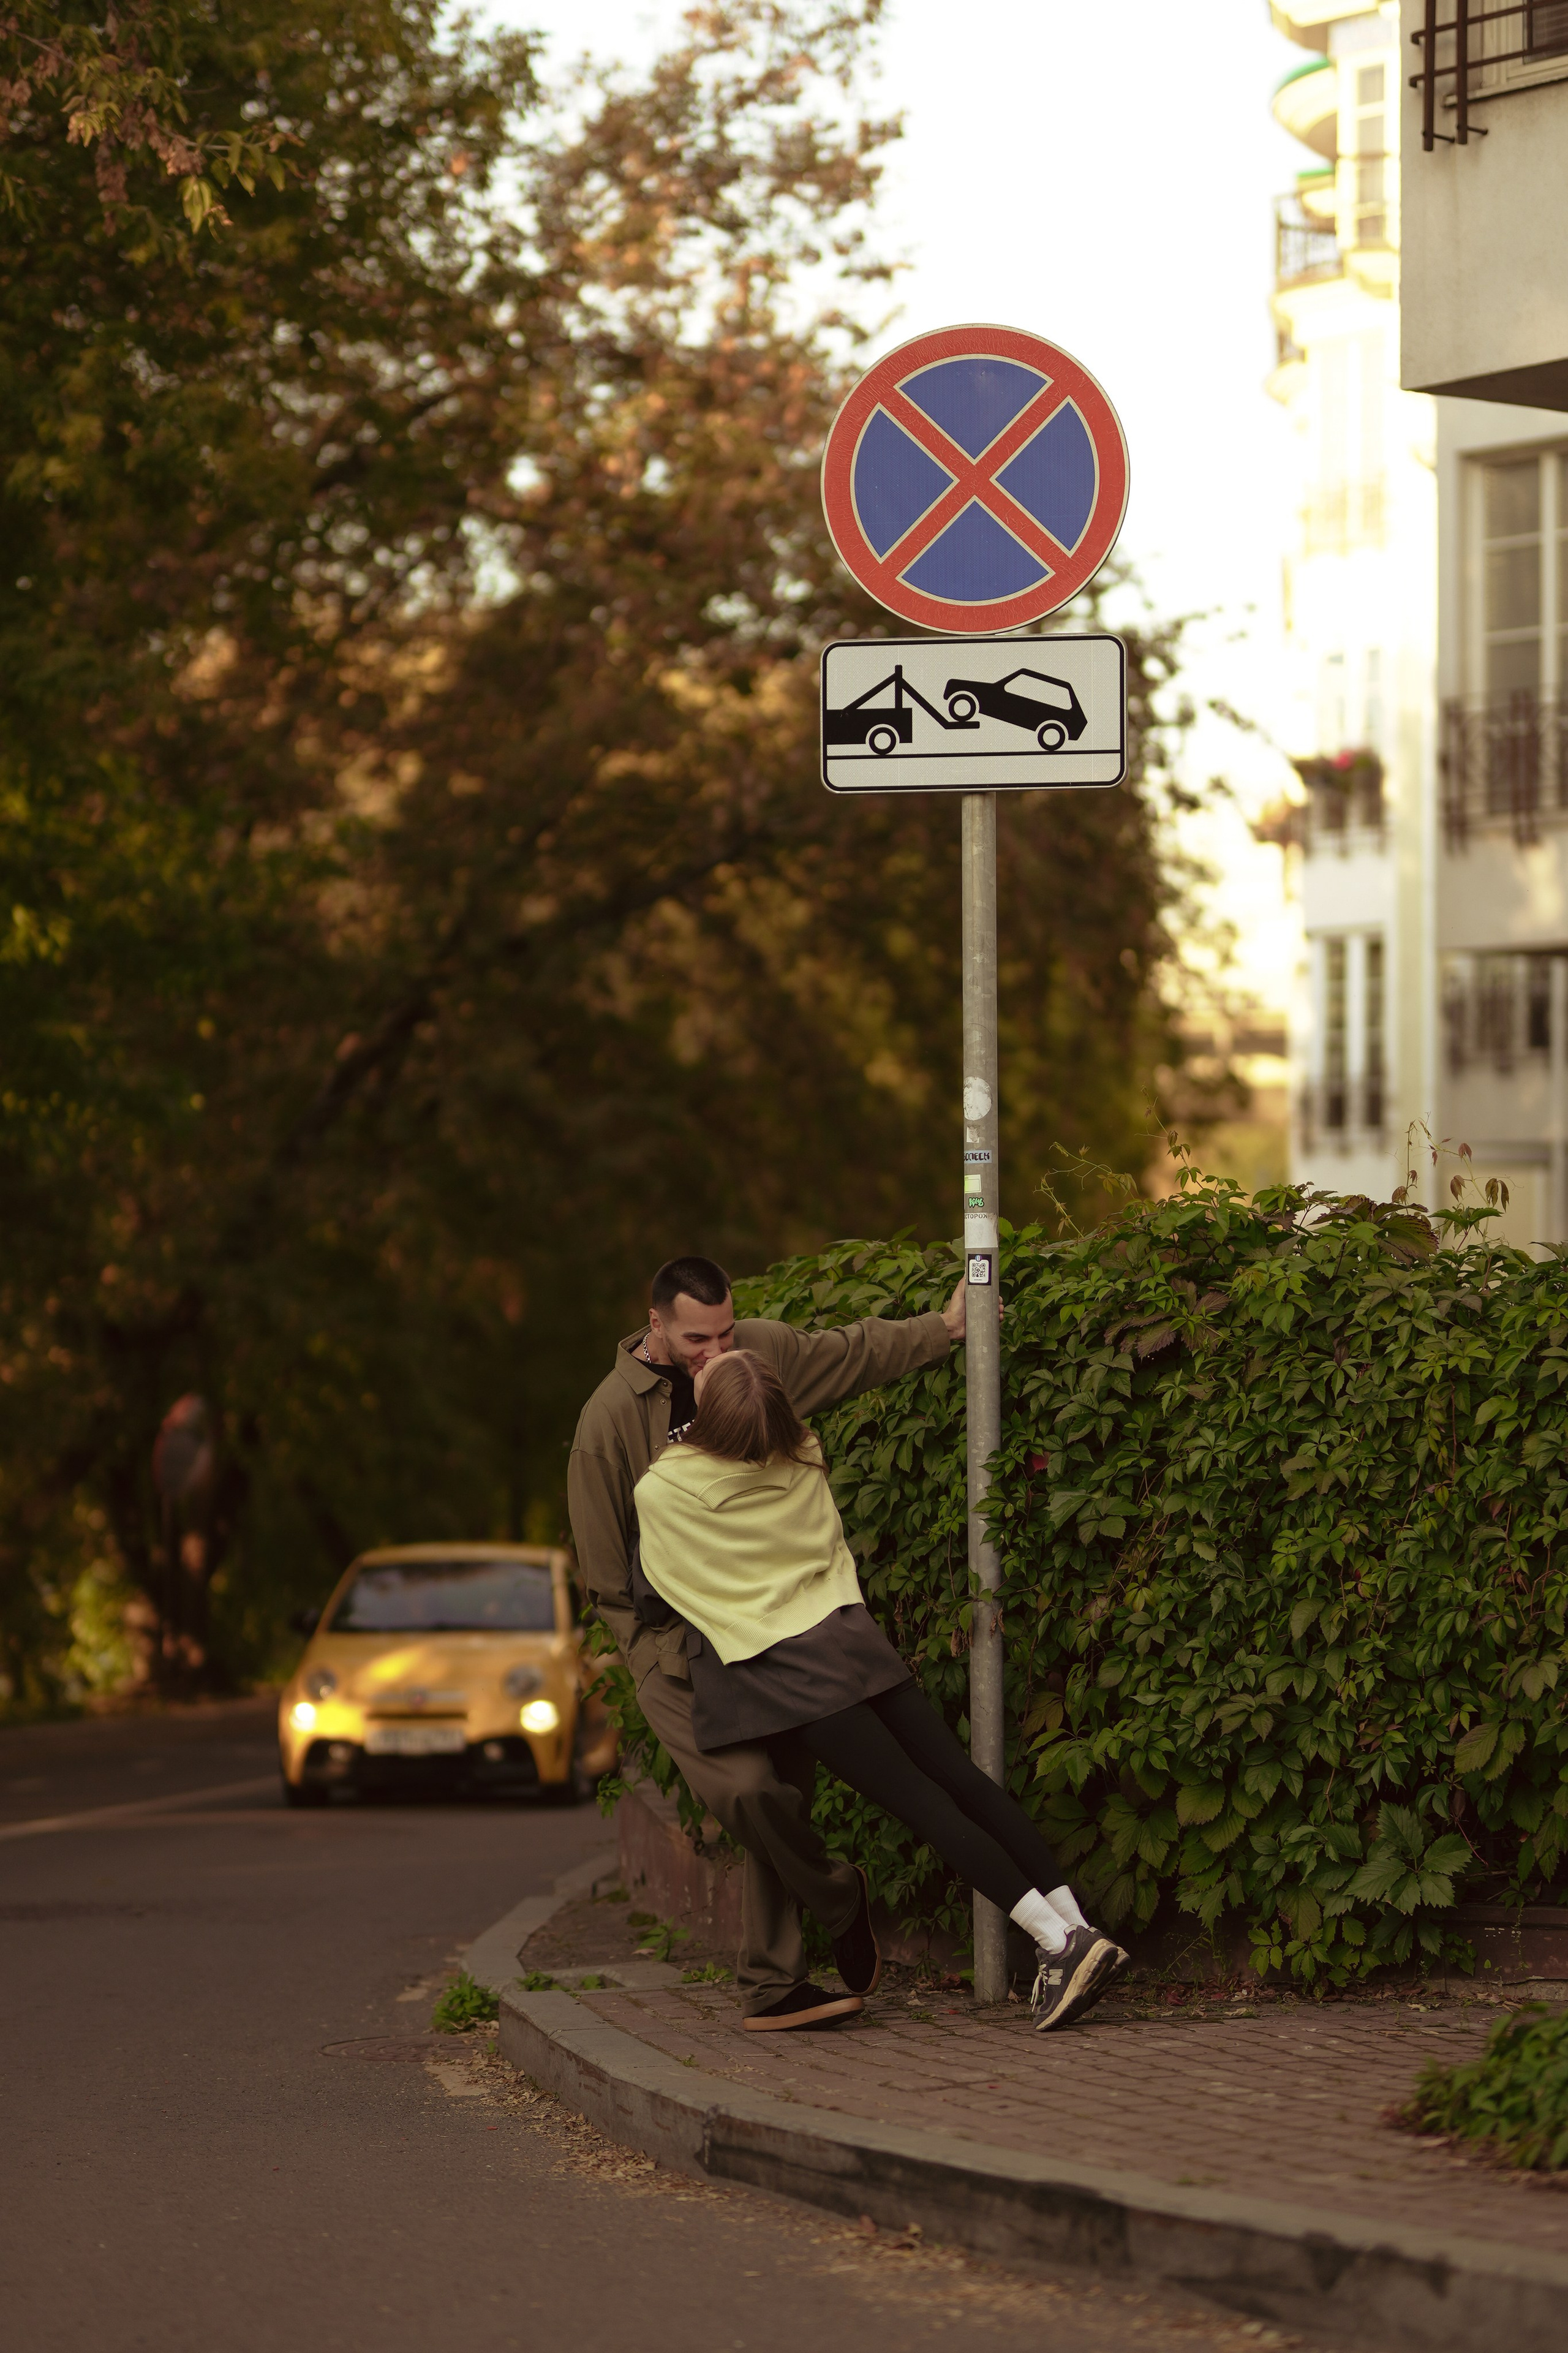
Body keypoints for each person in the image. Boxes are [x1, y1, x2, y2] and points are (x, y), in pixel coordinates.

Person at [633, 1347, 1129, 2033]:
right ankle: (1079, 1930)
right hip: (851, 1637)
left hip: (791, 1668)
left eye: (708, 1372)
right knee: (962, 1781)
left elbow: (670, 1586)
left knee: (923, 1805)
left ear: (710, 1416)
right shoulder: (802, 1449)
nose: (703, 1362)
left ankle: (1056, 1942)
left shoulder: (664, 1488)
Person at [568, 1253, 962, 2030]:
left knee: (785, 1785)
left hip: (771, 1633)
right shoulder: (607, 1421)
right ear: (655, 1324)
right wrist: (648, 1659)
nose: (716, 1351)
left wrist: (945, 1330)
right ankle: (837, 1894)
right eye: (696, 1339)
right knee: (750, 1794)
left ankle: (773, 1981)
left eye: (724, 1332)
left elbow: (849, 1353)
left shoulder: (757, 1353)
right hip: (674, 1647)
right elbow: (606, 1577)